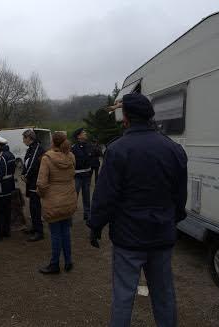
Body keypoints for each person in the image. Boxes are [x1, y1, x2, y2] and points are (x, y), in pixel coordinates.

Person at [87, 93, 188, 327]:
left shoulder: (117, 150)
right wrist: (173, 219)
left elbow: (105, 196)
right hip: (162, 234)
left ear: (126, 119)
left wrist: (95, 225)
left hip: (128, 237)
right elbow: (180, 195)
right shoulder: (173, 149)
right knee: (164, 295)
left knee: (123, 297)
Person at [37, 132, 77, 274]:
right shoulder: (71, 156)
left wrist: (43, 195)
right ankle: (68, 261)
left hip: (53, 201)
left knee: (55, 234)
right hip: (69, 200)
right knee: (66, 231)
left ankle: (54, 264)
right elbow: (72, 175)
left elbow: (41, 184)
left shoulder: (47, 158)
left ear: (53, 142)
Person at [21, 129, 45, 242]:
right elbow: (26, 163)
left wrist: (25, 175)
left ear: (29, 138)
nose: (23, 140)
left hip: (35, 181)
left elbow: (33, 164)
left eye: (24, 138)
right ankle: (35, 227)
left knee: (35, 206)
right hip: (31, 181)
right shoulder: (31, 148)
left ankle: (39, 232)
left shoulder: (37, 148)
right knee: (32, 205)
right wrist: (22, 173)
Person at [71, 128, 92, 221]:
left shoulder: (89, 145)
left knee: (87, 195)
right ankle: (69, 214)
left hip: (87, 175)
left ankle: (87, 213)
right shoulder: (73, 148)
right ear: (78, 136)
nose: (86, 133)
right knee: (74, 195)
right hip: (77, 176)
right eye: (83, 133)